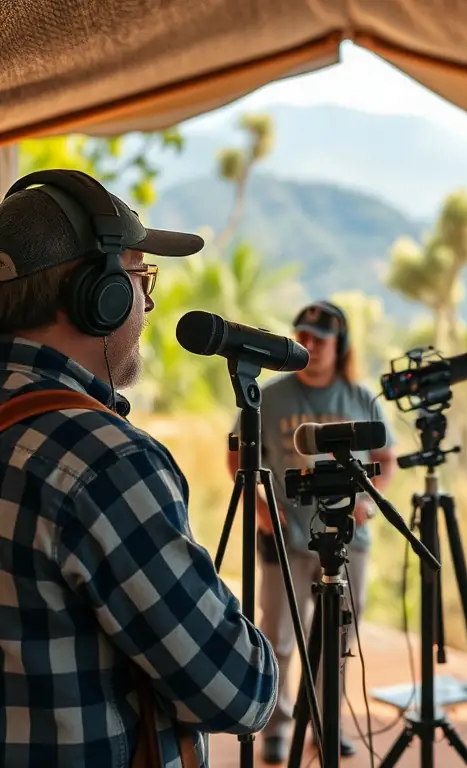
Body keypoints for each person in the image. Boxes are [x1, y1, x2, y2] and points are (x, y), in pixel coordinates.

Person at [0, 169, 279, 767]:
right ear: (97, 294)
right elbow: (238, 692)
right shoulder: (101, 460)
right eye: (138, 277)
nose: (146, 303)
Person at [226, 299, 398, 764]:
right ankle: (276, 727)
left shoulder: (360, 397)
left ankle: (327, 724)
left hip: (348, 541)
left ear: (341, 344)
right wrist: (261, 510)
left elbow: (387, 460)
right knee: (279, 637)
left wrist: (366, 503)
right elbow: (236, 456)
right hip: (285, 540)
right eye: (303, 336)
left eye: (321, 339)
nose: (311, 345)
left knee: (337, 641)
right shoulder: (270, 396)